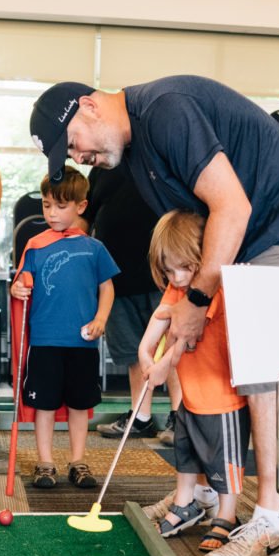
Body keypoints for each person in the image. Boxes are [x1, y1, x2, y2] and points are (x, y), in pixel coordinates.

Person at [30, 76, 279, 556]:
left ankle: (271, 522)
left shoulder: (166, 111)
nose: (79, 158)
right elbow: (193, 230)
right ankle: (199, 495)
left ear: (88, 107)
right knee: (199, 358)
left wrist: (196, 299)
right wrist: (177, 309)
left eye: (73, 144)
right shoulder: (136, 150)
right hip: (247, 236)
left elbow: (232, 207)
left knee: (263, 374)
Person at [140, 210, 252, 556]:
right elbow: (161, 319)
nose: (177, 278)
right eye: (169, 270)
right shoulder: (177, 288)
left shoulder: (212, 289)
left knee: (223, 461)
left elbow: (185, 338)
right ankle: (185, 502)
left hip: (221, 398)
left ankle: (227, 514)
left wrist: (162, 365)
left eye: (185, 268)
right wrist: (145, 352)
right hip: (190, 396)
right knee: (186, 454)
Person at [10, 167, 119, 489]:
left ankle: (78, 460)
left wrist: (101, 319)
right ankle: (45, 462)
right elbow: (21, 282)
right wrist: (17, 288)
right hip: (45, 340)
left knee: (79, 404)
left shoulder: (94, 248)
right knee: (43, 405)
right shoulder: (35, 245)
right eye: (47, 205)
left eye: (61, 206)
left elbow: (107, 287)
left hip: (82, 342)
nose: (52, 213)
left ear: (80, 206)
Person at [84, 166, 183, 443]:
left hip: (163, 279)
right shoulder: (101, 169)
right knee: (131, 353)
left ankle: (181, 417)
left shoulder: (159, 159)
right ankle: (140, 417)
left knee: (172, 349)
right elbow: (85, 218)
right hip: (117, 280)